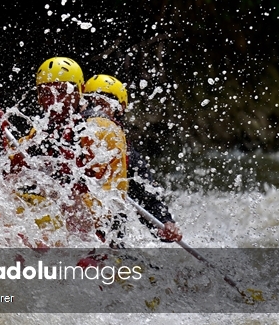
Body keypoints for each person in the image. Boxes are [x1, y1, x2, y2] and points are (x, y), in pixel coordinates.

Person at [11, 57, 128, 241]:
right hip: (63, 217)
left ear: (79, 91)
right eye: (45, 92)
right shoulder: (41, 129)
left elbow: (99, 187)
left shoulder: (99, 128)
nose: (53, 100)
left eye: (61, 91)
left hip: (101, 227)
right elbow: (14, 165)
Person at [82, 74, 183, 242]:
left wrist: (166, 223)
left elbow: (148, 197)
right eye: (91, 103)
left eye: (102, 105)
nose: (95, 111)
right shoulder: (67, 133)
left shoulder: (127, 155)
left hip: (109, 236)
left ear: (118, 110)